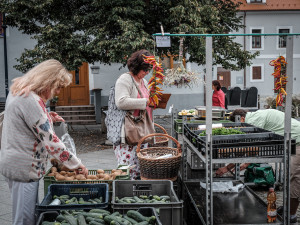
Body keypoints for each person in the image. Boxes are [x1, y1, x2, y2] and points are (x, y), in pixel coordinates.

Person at [0, 59, 88, 225]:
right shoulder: (30, 100)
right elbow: (51, 141)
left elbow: (26, 122)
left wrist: (47, 117)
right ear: (48, 82)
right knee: (24, 220)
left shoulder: (20, 90)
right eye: (58, 87)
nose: (58, 92)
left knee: (25, 214)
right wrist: (76, 164)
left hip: (16, 164)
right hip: (23, 168)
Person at [216, 108, 300, 223]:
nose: (239, 128)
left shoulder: (253, 121)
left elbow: (252, 150)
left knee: (295, 176)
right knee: (291, 175)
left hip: (298, 140)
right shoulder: (254, 116)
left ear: (241, 119)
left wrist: (231, 166)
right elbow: (248, 149)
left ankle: (291, 214)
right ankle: (287, 208)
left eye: (237, 124)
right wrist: (232, 166)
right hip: (292, 140)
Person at [114, 49, 154, 180]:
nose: (147, 73)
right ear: (136, 67)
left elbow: (146, 103)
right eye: (145, 69)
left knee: (141, 170)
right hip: (129, 133)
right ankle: (126, 194)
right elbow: (121, 102)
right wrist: (146, 102)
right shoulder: (125, 79)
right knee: (129, 170)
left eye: (149, 70)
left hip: (143, 131)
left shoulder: (144, 82)